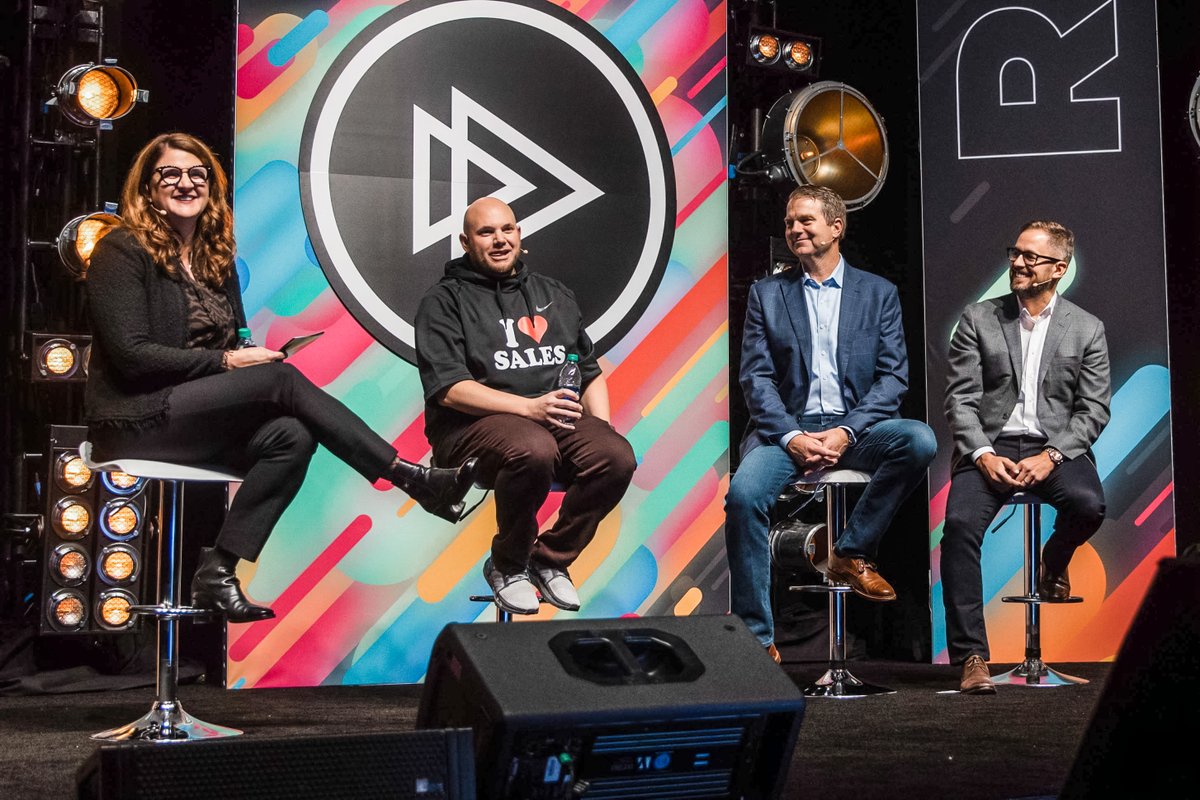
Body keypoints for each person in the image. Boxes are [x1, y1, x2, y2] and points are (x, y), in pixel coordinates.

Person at [84, 132, 478, 623]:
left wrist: (247, 355)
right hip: (133, 418)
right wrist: (229, 364)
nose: (186, 183)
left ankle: (218, 571)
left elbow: (233, 338)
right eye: (171, 174)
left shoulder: (214, 257)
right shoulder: (121, 250)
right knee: (282, 384)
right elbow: (131, 356)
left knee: (292, 435)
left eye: (197, 174)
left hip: (192, 413)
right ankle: (412, 478)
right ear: (147, 188)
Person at [725, 185, 937, 663]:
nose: (794, 229)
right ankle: (756, 640)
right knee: (742, 498)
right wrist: (793, 437)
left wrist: (846, 431)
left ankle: (850, 550)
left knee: (918, 440)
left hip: (855, 429)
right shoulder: (767, 294)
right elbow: (755, 378)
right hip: (785, 431)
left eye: (805, 220)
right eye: (789, 223)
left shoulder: (878, 293)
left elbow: (893, 379)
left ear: (836, 227)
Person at [415, 197, 636, 616]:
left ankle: (549, 559)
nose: (500, 239)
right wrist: (530, 408)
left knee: (615, 456)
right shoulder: (444, 301)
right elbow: (449, 389)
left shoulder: (554, 294)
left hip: (550, 421)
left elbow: (588, 372)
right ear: (466, 241)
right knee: (533, 447)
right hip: (468, 430)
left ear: (519, 234)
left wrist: (600, 430)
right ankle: (508, 564)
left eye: (507, 229)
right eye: (486, 232)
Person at [942, 219, 1109, 694]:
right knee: (958, 528)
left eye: (1030, 257)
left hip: (1055, 448)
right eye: (1014, 253)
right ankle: (972, 657)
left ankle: (1053, 562)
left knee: (1088, 506)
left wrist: (1052, 455)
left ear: (1059, 268)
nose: (1017, 262)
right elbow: (960, 401)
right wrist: (982, 454)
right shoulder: (979, 318)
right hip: (990, 445)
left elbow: (1094, 409)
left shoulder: (1087, 328)